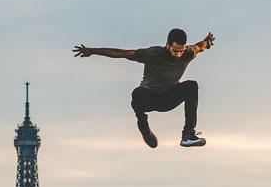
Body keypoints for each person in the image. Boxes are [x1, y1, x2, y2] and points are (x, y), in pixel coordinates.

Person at [72, 28, 215, 148]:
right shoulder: (152, 54)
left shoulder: (188, 52)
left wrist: (207, 42)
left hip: (169, 98)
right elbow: (121, 53)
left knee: (192, 85)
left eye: (180, 51)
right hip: (150, 97)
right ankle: (143, 126)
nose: (178, 54)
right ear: (167, 45)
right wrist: (92, 51)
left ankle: (188, 134)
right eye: (175, 50)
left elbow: (200, 46)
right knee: (137, 93)